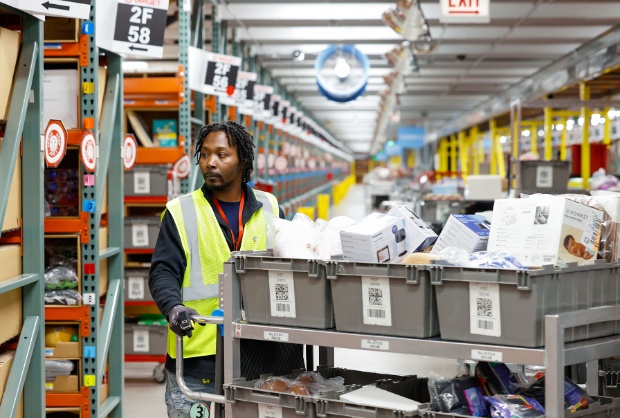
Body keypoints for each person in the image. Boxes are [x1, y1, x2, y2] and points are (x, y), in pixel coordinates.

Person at [149, 121, 304, 418]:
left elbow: (289, 267)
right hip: (201, 356)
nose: (211, 162)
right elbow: (163, 271)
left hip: (262, 355)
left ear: (243, 161)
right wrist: (173, 307)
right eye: (205, 154)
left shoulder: (270, 208)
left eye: (222, 154)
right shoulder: (181, 212)